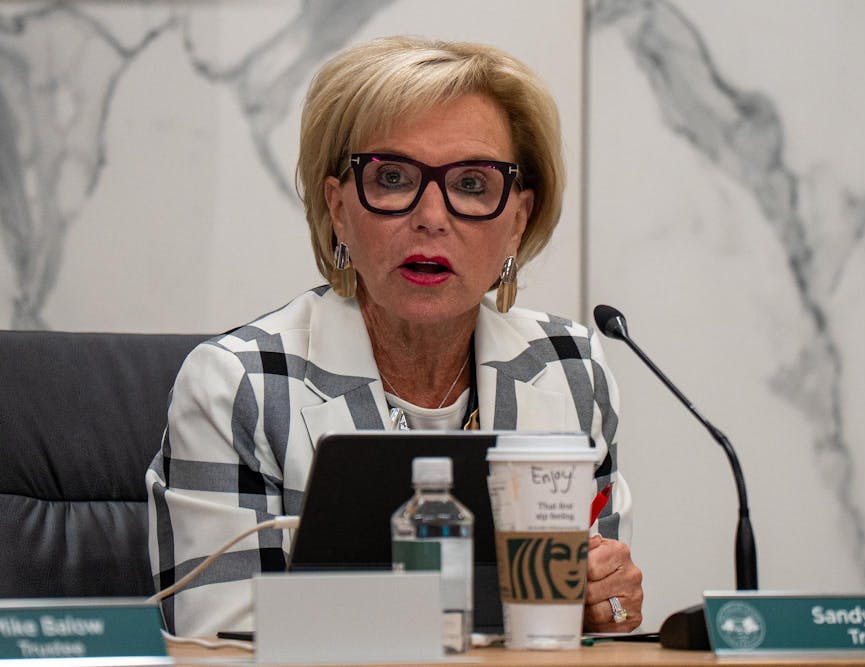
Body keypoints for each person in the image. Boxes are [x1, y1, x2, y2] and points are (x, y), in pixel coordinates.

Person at [146, 35, 643, 638]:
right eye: (392, 177)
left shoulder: (571, 369)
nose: (432, 215)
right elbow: (219, 637)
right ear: (338, 209)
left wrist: (604, 603)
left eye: (471, 184)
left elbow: (594, 631)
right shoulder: (240, 384)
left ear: (517, 221)